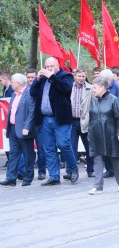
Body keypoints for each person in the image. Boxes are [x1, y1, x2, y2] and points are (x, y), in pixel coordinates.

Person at [29, 57, 78, 186]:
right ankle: (54, 176)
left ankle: (73, 168)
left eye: (51, 66)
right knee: (48, 148)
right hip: (45, 119)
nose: (49, 68)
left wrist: (51, 76)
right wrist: (37, 79)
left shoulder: (65, 75)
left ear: (57, 65)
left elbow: (65, 88)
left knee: (63, 144)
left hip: (60, 118)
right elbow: (32, 92)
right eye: (47, 66)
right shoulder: (43, 78)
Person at [87, 77, 119, 194]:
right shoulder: (94, 100)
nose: (93, 90)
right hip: (96, 134)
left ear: (102, 87)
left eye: (94, 87)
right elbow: (92, 118)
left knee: (115, 158)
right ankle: (97, 186)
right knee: (97, 159)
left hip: (111, 134)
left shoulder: (113, 100)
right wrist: (90, 132)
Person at [0, 74, 36, 187]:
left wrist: (27, 127)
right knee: (13, 154)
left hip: (24, 129)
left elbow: (32, 112)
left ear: (19, 83)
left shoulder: (29, 93)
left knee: (28, 154)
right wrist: (7, 126)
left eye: (13, 82)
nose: (11, 84)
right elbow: (11, 112)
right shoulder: (14, 94)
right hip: (13, 129)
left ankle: (28, 177)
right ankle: (11, 178)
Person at [68, 68, 94, 179]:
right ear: (74, 76)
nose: (81, 78)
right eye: (79, 76)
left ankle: (91, 170)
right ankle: (72, 171)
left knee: (89, 148)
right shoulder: (69, 87)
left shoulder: (91, 88)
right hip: (72, 122)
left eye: (83, 76)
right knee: (71, 148)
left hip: (86, 122)